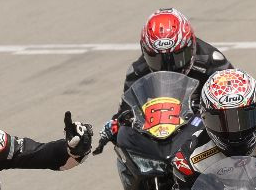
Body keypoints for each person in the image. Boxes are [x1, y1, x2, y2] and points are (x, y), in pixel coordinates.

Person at [100, 8, 233, 139]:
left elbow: (234, 95)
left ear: (191, 45)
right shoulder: (138, 71)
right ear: (145, 52)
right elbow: (125, 110)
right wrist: (115, 124)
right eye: (157, 59)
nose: (168, 66)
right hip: (160, 136)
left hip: (204, 129)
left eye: (177, 57)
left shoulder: (211, 61)